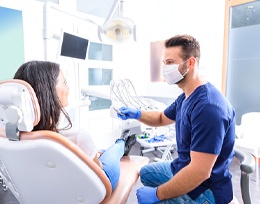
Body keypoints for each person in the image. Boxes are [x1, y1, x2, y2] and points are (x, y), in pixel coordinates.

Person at [117, 34, 236, 203]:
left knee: (156, 199)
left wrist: (157, 194)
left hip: (206, 188)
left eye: (170, 62)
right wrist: (137, 113)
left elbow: (199, 172)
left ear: (190, 63)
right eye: (164, 62)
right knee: (144, 174)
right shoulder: (186, 96)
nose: (165, 68)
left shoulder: (209, 108)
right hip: (183, 165)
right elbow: (160, 118)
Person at [13, 60, 136, 191]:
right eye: (65, 82)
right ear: (48, 91)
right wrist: (95, 158)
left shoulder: (14, 136)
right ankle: (122, 142)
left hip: (47, 191)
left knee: (101, 151)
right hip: (93, 189)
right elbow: (99, 171)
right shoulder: (78, 136)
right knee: (114, 152)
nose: (68, 88)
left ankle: (103, 150)